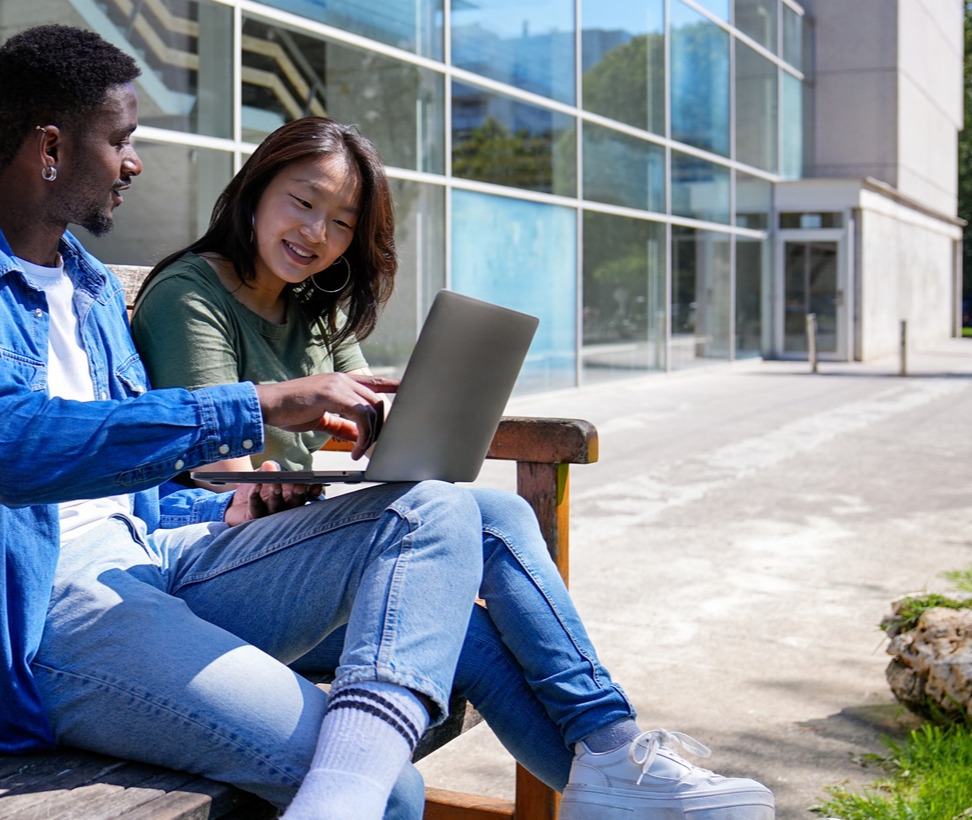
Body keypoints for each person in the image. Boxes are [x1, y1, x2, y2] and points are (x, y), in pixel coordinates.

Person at [0, 25, 773, 820]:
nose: (135, 162)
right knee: (392, 791)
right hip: (39, 621)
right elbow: (9, 450)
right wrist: (258, 408)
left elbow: (141, 489)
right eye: (122, 140)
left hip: (156, 565)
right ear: (50, 150)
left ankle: (609, 762)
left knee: (452, 514)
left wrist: (243, 508)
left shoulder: (88, 287)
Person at [127, 115, 778, 817]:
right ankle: (619, 763)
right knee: (491, 517)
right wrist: (293, 488)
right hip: (203, 564)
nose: (317, 233)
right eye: (302, 202)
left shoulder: (311, 312)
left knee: (465, 628)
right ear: (254, 192)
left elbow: (371, 425)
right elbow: (226, 477)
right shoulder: (191, 294)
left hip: (295, 553)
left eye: (341, 222)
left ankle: (613, 776)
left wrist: (418, 415)